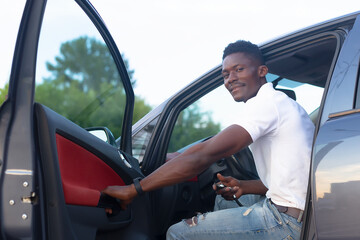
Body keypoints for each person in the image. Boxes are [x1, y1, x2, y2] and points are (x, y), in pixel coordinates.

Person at [103, 40, 315, 239]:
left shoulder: (267, 104)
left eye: (239, 69)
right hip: (302, 211)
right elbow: (293, 182)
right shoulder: (283, 104)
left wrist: (134, 189)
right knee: (223, 202)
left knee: (178, 234)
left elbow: (205, 155)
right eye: (225, 74)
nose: (230, 79)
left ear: (262, 71)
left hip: (286, 222)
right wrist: (243, 185)